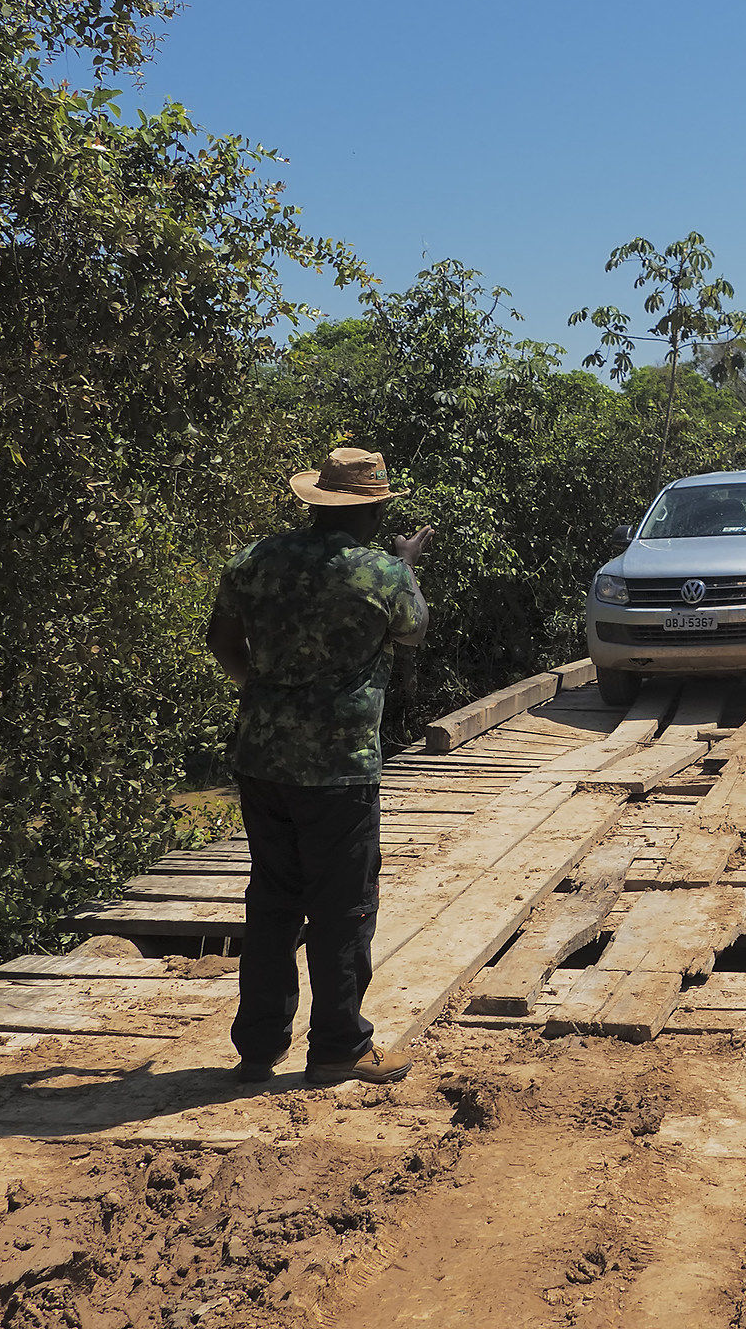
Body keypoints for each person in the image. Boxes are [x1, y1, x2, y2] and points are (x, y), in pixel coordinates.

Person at [205, 447, 435, 1086]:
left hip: (263, 758)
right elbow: (413, 630)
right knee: (344, 906)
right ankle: (338, 1045)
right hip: (339, 766)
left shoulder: (257, 559)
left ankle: (257, 1047)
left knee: (272, 899)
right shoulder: (382, 573)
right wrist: (405, 564)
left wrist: (263, 691)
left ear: (314, 502)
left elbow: (221, 640)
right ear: (376, 507)